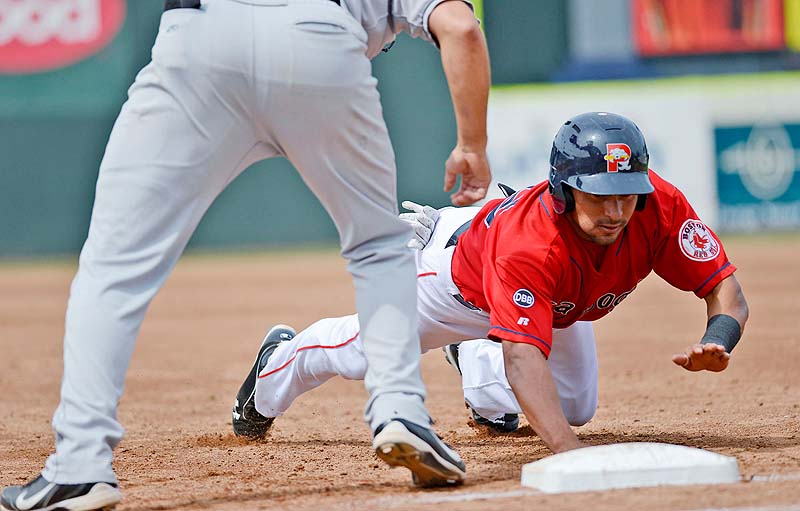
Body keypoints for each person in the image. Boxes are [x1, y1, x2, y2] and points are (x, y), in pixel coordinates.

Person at [1, 0, 491, 509]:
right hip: (321, 46)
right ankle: (400, 410)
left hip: (198, 42)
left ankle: (80, 463)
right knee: (378, 246)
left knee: (113, 266)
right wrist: (472, 145)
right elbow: (459, 26)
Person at [229, 111, 749, 461]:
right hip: (458, 277)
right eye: (598, 195)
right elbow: (524, 359)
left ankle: (477, 363)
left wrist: (719, 338)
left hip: (550, 301)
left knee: (574, 409)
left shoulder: (656, 207)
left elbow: (726, 289)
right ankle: (278, 362)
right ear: (564, 188)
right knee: (366, 353)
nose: (615, 212)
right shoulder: (532, 243)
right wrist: (571, 458)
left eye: (625, 195)